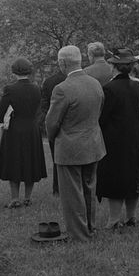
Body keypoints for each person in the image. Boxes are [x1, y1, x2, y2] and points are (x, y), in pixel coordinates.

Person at [44, 46, 106, 243]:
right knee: (89, 188)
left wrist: (54, 138)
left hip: (70, 147)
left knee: (72, 194)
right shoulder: (95, 83)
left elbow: (51, 122)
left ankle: (79, 235)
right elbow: (99, 110)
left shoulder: (62, 89)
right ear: (80, 61)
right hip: (93, 143)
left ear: (62, 63)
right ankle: (90, 227)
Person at [96, 48, 139, 229]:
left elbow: (103, 117)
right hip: (134, 137)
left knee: (116, 177)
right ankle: (131, 217)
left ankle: (114, 220)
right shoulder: (138, 86)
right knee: (133, 177)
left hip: (115, 139)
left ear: (113, 66)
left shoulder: (109, 88)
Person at [0, 57, 47, 208]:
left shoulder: (10, 89)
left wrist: (1, 122)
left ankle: (14, 198)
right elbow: (40, 107)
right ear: (29, 71)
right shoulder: (37, 88)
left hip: (16, 128)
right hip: (32, 127)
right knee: (31, 161)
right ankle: (28, 198)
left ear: (14, 72)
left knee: (15, 161)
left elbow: (1, 110)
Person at [37, 62, 66, 195]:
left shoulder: (49, 82)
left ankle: (57, 188)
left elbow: (43, 105)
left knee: (57, 159)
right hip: (75, 124)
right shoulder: (84, 80)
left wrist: (46, 121)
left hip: (55, 123)